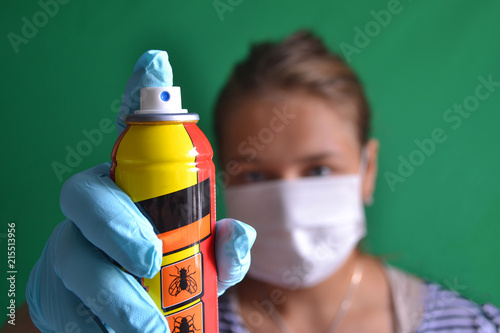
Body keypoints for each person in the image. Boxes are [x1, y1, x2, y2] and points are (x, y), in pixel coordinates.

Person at [17, 31, 500, 333]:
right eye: (256, 174)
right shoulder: (167, 311)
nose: (289, 203)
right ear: (220, 180)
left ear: (368, 170)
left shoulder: (470, 326)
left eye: (318, 170)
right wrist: (41, 321)